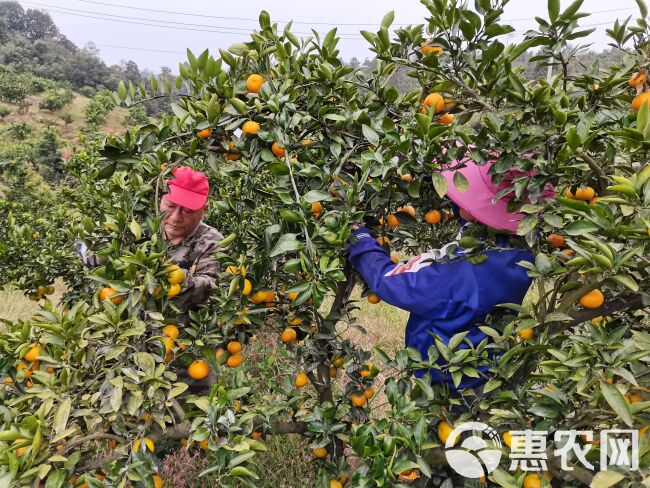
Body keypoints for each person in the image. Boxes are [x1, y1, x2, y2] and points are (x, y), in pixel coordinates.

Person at [347, 156, 553, 392]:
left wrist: (358, 236)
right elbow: (472, 214)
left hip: (448, 380)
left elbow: (389, 282)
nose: (463, 195)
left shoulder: (460, 272)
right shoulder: (522, 247)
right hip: (488, 365)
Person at [77, 166, 223, 313]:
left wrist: (170, 277)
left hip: (175, 332)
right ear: (159, 201)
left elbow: (209, 286)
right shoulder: (137, 229)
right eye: (170, 206)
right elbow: (87, 251)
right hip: (129, 330)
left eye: (188, 211)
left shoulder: (212, 242)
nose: (175, 217)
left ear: (205, 210)